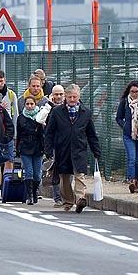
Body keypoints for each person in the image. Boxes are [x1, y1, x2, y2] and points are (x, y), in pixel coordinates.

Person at [43, 83, 102, 213]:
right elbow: (50, 132)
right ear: (65, 97)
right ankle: (68, 201)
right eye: (69, 97)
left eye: (74, 97)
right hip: (62, 149)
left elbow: (91, 134)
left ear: (78, 97)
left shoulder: (85, 112)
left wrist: (96, 150)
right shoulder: (57, 112)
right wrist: (48, 149)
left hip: (79, 149)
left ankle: (80, 198)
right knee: (64, 177)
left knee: (79, 175)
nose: (72, 100)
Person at [17, 96, 45, 205]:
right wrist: (18, 148)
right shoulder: (21, 118)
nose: (29, 106)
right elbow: (18, 134)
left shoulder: (40, 116)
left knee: (37, 174)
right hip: (25, 147)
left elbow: (44, 133)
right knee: (29, 172)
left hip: (38, 147)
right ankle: (29, 195)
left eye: (31, 104)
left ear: (35, 104)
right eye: (27, 104)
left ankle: (35, 191)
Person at [46, 84, 66, 207]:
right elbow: (41, 120)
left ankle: (67, 196)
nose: (58, 97)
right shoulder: (48, 107)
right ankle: (58, 197)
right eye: (56, 94)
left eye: (60, 94)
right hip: (55, 143)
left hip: (68, 143)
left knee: (68, 172)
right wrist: (48, 106)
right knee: (56, 170)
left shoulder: (70, 106)